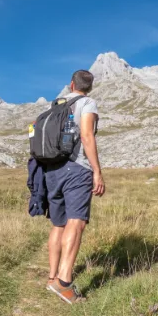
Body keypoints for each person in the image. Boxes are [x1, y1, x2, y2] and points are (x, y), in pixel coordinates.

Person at [46, 69, 105, 304]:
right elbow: (87, 136)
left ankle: (52, 278)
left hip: (52, 170)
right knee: (76, 222)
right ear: (89, 87)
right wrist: (97, 171)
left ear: (71, 85)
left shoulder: (56, 105)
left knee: (59, 223)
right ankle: (64, 283)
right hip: (77, 169)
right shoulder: (88, 103)